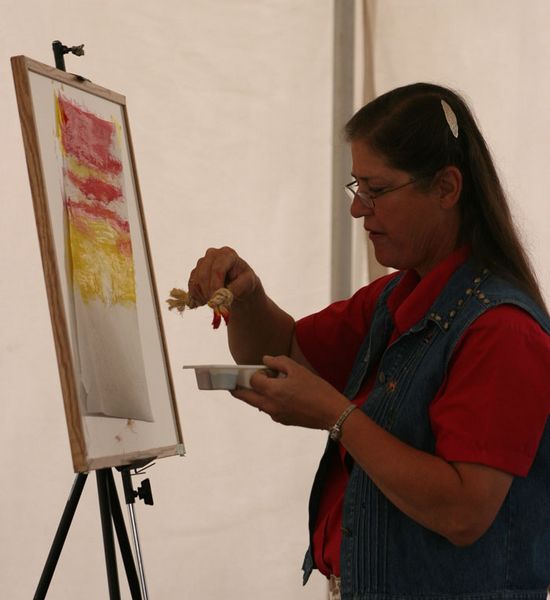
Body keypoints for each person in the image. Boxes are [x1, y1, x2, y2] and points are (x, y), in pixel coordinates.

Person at [185, 83, 550, 599]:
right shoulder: (395, 297)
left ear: (446, 188)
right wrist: (247, 298)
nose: (359, 210)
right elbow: (284, 351)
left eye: (376, 190)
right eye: (357, 186)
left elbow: (465, 511)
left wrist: (339, 417)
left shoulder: (501, 328)